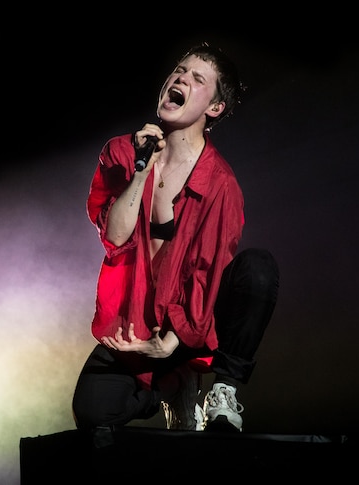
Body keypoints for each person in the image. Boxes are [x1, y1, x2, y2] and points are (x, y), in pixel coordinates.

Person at [71, 42, 279, 433]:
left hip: (190, 324)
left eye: (197, 78)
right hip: (137, 322)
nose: (181, 77)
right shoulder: (122, 151)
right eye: (179, 70)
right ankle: (169, 388)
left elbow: (208, 272)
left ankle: (224, 390)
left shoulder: (221, 184)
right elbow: (115, 238)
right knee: (93, 413)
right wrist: (141, 170)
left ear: (213, 108)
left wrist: (172, 342)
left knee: (258, 270)